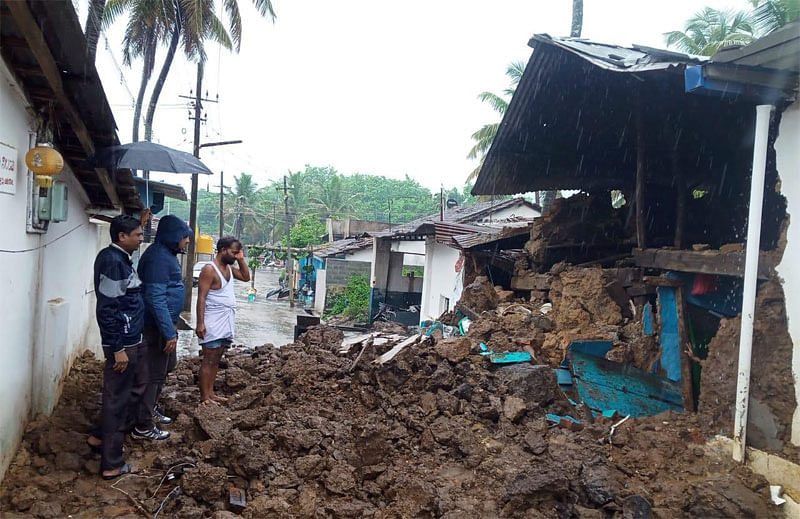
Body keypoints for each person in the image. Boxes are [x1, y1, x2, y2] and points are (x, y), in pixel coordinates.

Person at [87, 215, 148, 479]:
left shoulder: (119, 258)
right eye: (137, 234)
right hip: (122, 343)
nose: (141, 238)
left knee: (119, 395)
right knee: (117, 400)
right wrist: (118, 347)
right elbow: (108, 308)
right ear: (122, 237)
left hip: (128, 338)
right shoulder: (113, 262)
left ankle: (99, 438)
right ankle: (112, 464)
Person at [136, 214, 192, 438]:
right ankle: (143, 424)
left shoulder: (166, 255)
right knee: (154, 374)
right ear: (173, 236)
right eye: (184, 237)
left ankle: (151, 408)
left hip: (165, 324)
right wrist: (168, 332)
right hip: (157, 327)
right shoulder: (158, 258)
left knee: (166, 367)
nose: (187, 242)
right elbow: (155, 297)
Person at [196, 236, 250, 404]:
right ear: (222, 250)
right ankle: (205, 397)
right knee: (209, 358)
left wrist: (241, 259)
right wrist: (200, 322)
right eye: (234, 253)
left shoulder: (229, 269)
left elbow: (246, 277)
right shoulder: (209, 269)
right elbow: (201, 298)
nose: (235, 256)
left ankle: (211, 393)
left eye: (238, 253)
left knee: (217, 357)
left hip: (225, 321)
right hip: (212, 320)